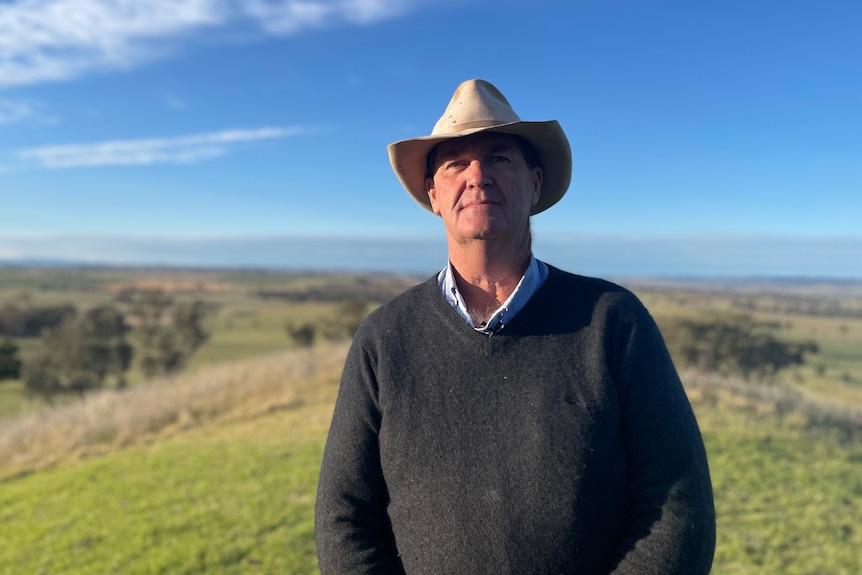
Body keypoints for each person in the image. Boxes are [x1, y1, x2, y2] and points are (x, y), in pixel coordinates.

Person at [314, 79, 715, 574]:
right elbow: (343, 518)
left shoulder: (612, 321)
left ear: (536, 183)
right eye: (456, 163)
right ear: (434, 194)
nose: (477, 175)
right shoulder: (383, 339)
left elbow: (677, 505)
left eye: (499, 158)